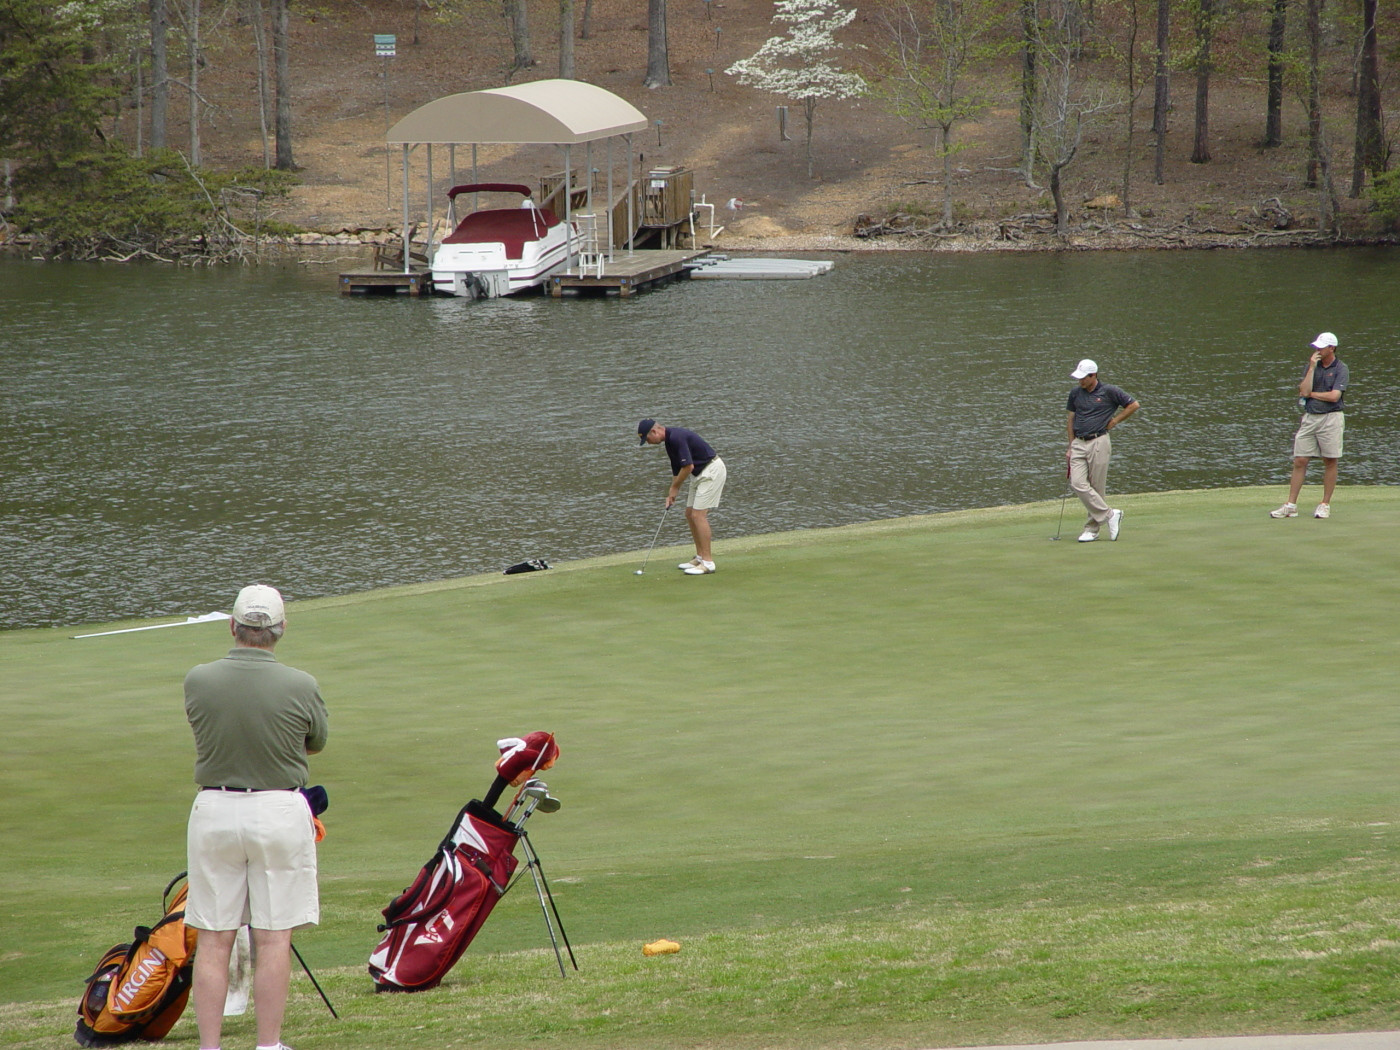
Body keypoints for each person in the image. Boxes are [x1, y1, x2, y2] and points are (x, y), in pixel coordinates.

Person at [184, 584, 328, 1050]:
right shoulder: (301, 684)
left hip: (214, 811)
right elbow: (315, 741)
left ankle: (211, 1046)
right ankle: (267, 1045)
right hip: (278, 811)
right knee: (272, 936)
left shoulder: (198, 679)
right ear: (280, 630)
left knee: (214, 937)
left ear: (233, 626)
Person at [1271, 332, 1348, 519]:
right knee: (1300, 460)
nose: (1317, 350)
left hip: (1331, 418)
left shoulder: (1341, 368)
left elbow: (1334, 396)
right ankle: (1291, 505)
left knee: (1330, 460)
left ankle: (1324, 504)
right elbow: (1303, 390)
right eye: (1317, 347)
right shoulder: (1311, 366)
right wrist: (1312, 368)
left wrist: (1311, 394)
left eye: (1321, 347)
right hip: (1310, 418)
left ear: (1332, 348)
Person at [637, 418, 728, 574]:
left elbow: (688, 466)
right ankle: (700, 557)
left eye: (647, 439)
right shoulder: (669, 442)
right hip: (699, 474)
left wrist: (675, 487)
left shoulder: (676, 437)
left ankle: (708, 562)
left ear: (654, 431)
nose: (648, 443)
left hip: (711, 470)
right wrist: (672, 493)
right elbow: (677, 469)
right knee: (690, 514)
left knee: (698, 515)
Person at [1065, 359, 1140, 543]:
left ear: (1093, 375)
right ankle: (1110, 515)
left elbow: (1133, 405)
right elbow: (1071, 419)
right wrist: (1070, 445)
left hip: (1099, 441)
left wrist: (1114, 421)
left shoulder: (1109, 391)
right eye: (1079, 377)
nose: (1080, 381)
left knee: (1097, 487)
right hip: (1078, 443)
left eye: (1084, 378)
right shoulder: (1075, 393)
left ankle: (1092, 530)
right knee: (1077, 483)